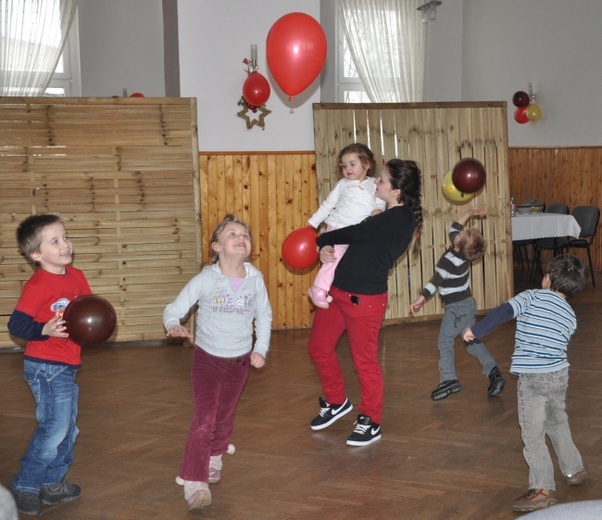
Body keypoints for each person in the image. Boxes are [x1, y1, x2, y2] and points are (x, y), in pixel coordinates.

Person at [308, 157, 422, 446]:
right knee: (319, 347)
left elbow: (356, 233)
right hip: (338, 293)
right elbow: (353, 243)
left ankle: (371, 420)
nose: (377, 183)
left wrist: (322, 238)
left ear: (396, 191)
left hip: (366, 300)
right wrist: (328, 250)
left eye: (382, 180)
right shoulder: (380, 214)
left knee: (364, 362)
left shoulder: (401, 217)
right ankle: (336, 402)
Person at [463, 254, 589, 513]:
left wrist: (475, 331)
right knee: (557, 422)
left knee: (532, 435)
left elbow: (503, 313)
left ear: (548, 278)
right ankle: (574, 469)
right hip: (559, 375)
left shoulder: (531, 296)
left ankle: (542, 488)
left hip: (532, 378)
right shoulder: (570, 315)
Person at [163, 214, 272, 511]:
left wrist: (260, 347)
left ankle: (214, 457)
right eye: (232, 233)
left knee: (224, 415)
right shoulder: (206, 279)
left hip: (239, 362)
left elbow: (264, 316)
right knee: (204, 420)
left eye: (245, 235)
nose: (241, 237)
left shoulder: (255, 279)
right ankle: (194, 481)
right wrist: (173, 325)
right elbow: (174, 309)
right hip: (207, 360)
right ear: (216, 246)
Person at [7, 214, 92, 516]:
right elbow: (16, 324)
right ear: (36, 254)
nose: (65, 243)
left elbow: (86, 313)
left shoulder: (77, 276)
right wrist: (44, 329)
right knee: (54, 428)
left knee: (68, 428)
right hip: (44, 366)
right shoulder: (38, 285)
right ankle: (27, 485)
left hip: (68, 364)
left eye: (65, 236)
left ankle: (53, 484)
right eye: (55, 241)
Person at [409, 209, 505, 401]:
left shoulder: (450, 261)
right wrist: (469, 213)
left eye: (461, 234)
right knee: (471, 342)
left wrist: (421, 298)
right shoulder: (461, 252)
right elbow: (454, 227)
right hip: (467, 304)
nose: (458, 232)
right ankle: (494, 372)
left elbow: (435, 282)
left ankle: (448, 379)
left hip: (457, 308)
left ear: (458, 247)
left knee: (444, 341)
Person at [306, 143, 386, 309]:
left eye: (352, 164)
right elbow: (328, 205)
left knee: (350, 263)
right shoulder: (342, 184)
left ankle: (337, 292)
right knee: (332, 259)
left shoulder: (374, 184)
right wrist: (313, 223)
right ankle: (318, 289)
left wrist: (378, 209)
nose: (347, 169)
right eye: (344, 166)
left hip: (358, 232)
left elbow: (380, 200)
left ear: (367, 164)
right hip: (339, 228)